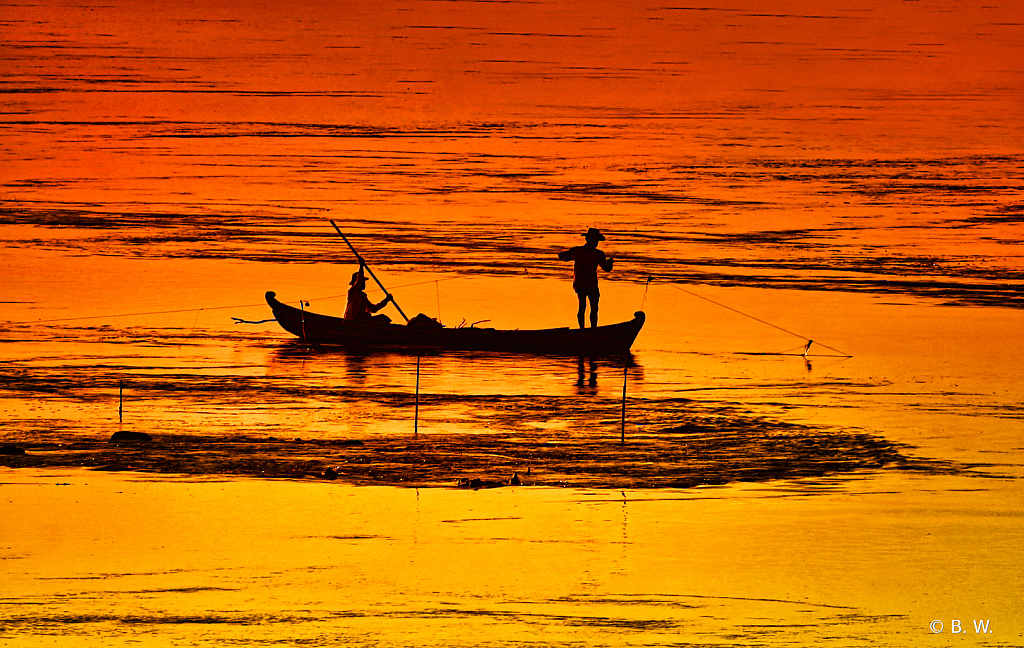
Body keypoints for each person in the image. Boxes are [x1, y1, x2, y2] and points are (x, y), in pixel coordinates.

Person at [558, 228, 614, 328]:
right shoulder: (598, 254)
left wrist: (563, 256)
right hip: (589, 285)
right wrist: (610, 263)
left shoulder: (578, 251)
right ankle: (591, 330)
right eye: (595, 240)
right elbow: (607, 268)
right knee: (592, 308)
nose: (596, 243)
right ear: (590, 240)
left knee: (584, 307)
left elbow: (564, 257)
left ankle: (583, 330)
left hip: (581, 284)